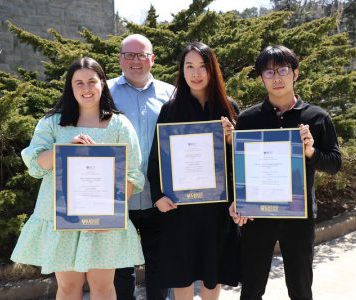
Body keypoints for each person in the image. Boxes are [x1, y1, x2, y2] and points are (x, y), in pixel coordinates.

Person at [11, 57, 145, 300]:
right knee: (68, 288)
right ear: (70, 87)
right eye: (79, 83)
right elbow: (35, 164)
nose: (86, 88)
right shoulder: (52, 122)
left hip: (104, 223)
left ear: (102, 84)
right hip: (61, 218)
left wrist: (112, 215)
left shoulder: (119, 125)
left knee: (103, 288)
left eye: (92, 81)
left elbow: (132, 175)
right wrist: (64, 149)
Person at [229, 45, 342, 300]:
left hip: (298, 216)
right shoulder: (249, 119)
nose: (276, 78)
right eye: (268, 73)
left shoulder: (316, 117)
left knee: (300, 288)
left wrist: (311, 152)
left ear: (296, 73)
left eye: (282, 70)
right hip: (257, 215)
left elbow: (334, 163)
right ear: (261, 78)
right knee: (252, 288)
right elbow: (239, 166)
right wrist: (238, 200)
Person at [147, 41, 241, 300]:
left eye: (202, 66)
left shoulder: (228, 108)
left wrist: (233, 140)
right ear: (182, 70)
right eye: (189, 66)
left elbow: (243, 162)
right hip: (180, 207)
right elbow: (157, 158)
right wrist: (158, 195)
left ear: (212, 70)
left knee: (213, 272)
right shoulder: (171, 109)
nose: (196, 73)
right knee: (182, 272)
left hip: (217, 208)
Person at [107, 34, 175, 300]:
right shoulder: (104, 92)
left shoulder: (171, 93)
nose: (136, 61)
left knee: (159, 263)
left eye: (142, 55)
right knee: (121, 268)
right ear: (120, 59)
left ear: (152, 59)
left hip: (159, 196)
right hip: (118, 196)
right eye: (129, 55)